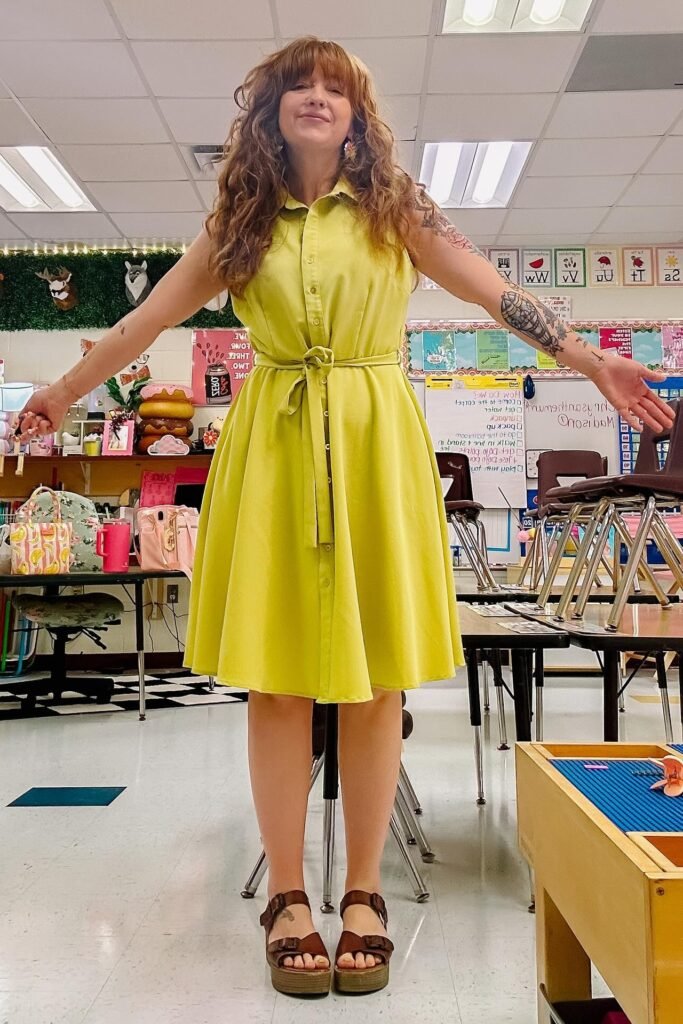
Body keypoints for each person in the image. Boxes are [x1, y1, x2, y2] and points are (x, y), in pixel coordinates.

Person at [17, 37, 674, 998]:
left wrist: (587, 359)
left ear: (358, 115)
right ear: (270, 110)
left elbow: (493, 291)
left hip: (372, 445)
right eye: (300, 84)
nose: (318, 97)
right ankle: (287, 894)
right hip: (277, 450)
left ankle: (362, 892)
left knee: (375, 682)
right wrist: (66, 392)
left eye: (337, 86)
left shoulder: (394, 212)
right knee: (278, 681)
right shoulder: (237, 226)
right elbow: (144, 322)